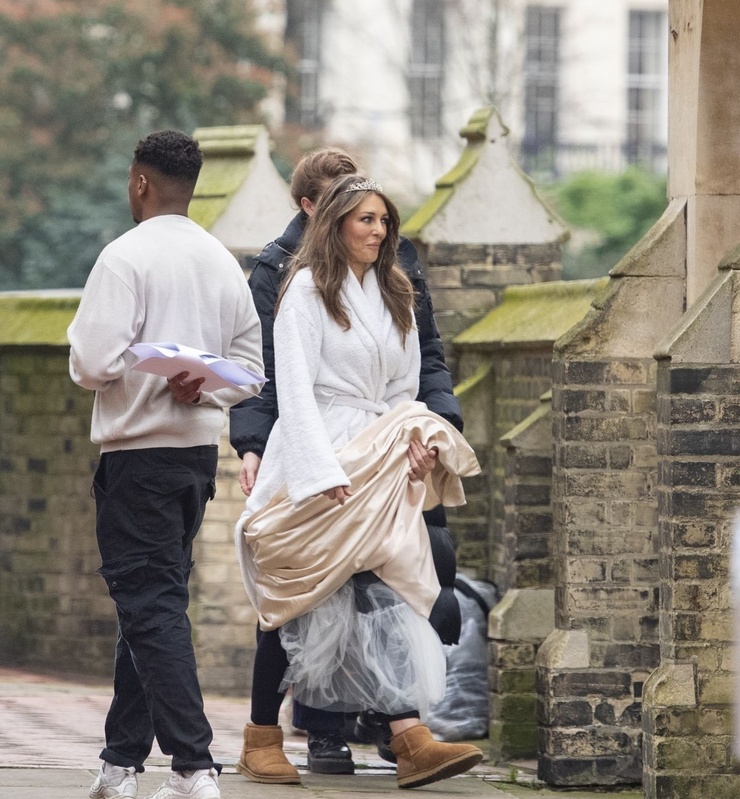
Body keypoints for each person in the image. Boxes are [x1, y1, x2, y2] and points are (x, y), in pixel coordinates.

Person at [233, 173, 483, 790]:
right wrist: (319, 471)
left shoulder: (395, 288)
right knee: (296, 594)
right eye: (366, 220)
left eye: (384, 220)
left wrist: (413, 444)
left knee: (383, 589)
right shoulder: (304, 290)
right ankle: (260, 738)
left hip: (378, 452)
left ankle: (410, 739)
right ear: (336, 223)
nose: (378, 230)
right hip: (317, 452)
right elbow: (293, 388)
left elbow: (406, 384)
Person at [67, 130, 264, 799]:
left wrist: (140, 362)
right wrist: (201, 384)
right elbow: (251, 370)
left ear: (140, 182)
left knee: (149, 606)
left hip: (136, 456)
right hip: (195, 461)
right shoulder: (221, 262)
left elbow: (91, 364)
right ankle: (120, 763)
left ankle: (193, 766)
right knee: (150, 603)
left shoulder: (124, 258)